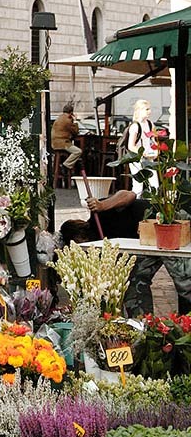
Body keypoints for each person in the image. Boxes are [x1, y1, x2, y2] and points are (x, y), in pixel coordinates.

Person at [59, 189, 191, 317]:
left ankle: (187, 325)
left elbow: (129, 195)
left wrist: (102, 205)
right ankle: (144, 325)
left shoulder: (99, 215)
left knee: (186, 285)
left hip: (168, 226)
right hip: (146, 244)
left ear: (78, 238)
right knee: (133, 281)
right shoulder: (96, 248)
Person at [125, 98, 159, 196]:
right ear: (139, 111)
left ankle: (153, 206)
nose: (149, 112)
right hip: (137, 158)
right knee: (138, 186)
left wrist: (156, 150)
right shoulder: (135, 126)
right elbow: (131, 146)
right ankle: (136, 206)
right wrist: (142, 153)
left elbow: (153, 140)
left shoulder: (149, 124)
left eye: (149, 109)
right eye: (146, 109)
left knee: (154, 184)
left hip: (149, 157)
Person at [51, 101, 81, 169]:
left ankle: (62, 166)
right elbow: (75, 131)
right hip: (62, 144)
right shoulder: (67, 120)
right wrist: (75, 121)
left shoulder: (59, 118)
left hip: (54, 143)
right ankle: (66, 165)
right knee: (78, 151)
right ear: (71, 113)